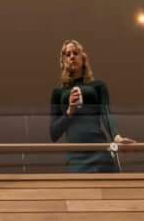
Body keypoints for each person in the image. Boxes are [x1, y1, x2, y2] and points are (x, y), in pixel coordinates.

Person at [49, 38, 124, 172]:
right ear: (64, 62)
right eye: (68, 54)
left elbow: (106, 114)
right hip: (76, 157)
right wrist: (69, 111)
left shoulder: (98, 86)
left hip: (100, 152)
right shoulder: (58, 93)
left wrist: (116, 137)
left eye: (75, 53)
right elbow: (54, 134)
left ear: (83, 58)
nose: (72, 56)